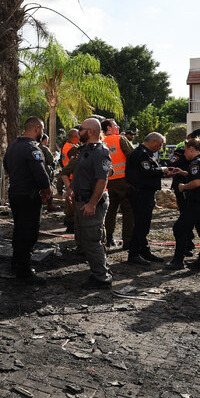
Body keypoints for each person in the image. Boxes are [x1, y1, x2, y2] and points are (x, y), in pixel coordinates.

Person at [65, 118, 113, 289]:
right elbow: (79, 173)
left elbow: (102, 180)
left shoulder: (101, 152)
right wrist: (71, 188)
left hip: (91, 202)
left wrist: (93, 203)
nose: (79, 132)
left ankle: (102, 278)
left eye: (82, 129)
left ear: (91, 131)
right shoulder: (85, 149)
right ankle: (100, 270)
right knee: (86, 239)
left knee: (92, 240)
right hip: (81, 199)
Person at [3, 117, 52, 283]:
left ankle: (16, 264)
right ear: (37, 129)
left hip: (15, 193)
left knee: (19, 230)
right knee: (29, 233)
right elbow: (40, 174)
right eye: (43, 130)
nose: (43, 133)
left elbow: (6, 166)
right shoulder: (31, 148)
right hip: (29, 196)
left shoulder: (13, 145)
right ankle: (24, 271)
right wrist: (47, 190)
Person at [125, 132, 174, 265]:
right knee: (141, 225)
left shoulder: (145, 153)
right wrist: (162, 170)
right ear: (153, 141)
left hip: (145, 192)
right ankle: (134, 254)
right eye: (159, 145)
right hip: (141, 193)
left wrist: (163, 173)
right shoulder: (141, 154)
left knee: (144, 225)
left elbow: (148, 172)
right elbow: (146, 172)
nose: (160, 148)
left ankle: (144, 251)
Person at [166, 139, 200, 271]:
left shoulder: (196, 163)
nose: (185, 154)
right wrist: (184, 173)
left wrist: (183, 187)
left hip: (196, 202)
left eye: (186, 150)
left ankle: (178, 261)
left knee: (179, 228)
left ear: (192, 149)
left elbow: (197, 182)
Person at [101, 119, 134, 248]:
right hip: (123, 181)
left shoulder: (100, 141)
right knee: (128, 211)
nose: (118, 127)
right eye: (115, 125)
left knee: (110, 210)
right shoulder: (120, 139)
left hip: (106, 181)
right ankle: (127, 241)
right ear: (109, 128)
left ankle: (108, 238)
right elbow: (133, 156)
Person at [60, 129, 81, 233]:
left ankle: (69, 221)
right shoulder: (72, 149)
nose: (80, 138)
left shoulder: (66, 146)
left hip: (69, 175)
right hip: (72, 177)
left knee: (69, 201)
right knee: (71, 202)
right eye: (78, 136)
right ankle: (70, 223)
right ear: (74, 137)